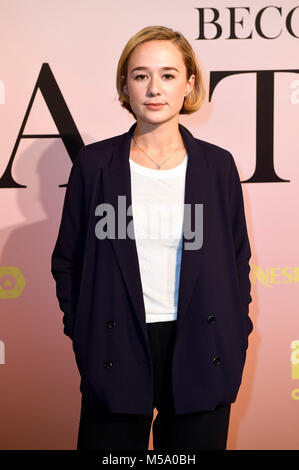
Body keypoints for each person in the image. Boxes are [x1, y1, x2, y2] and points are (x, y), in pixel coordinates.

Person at [51, 25, 253, 450]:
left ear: (189, 84)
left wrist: (236, 332)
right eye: (141, 75)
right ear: (125, 84)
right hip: (116, 342)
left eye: (168, 75)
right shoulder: (94, 164)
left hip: (202, 341)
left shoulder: (217, 166)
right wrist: (83, 331)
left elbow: (237, 260)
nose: (154, 88)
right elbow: (68, 260)